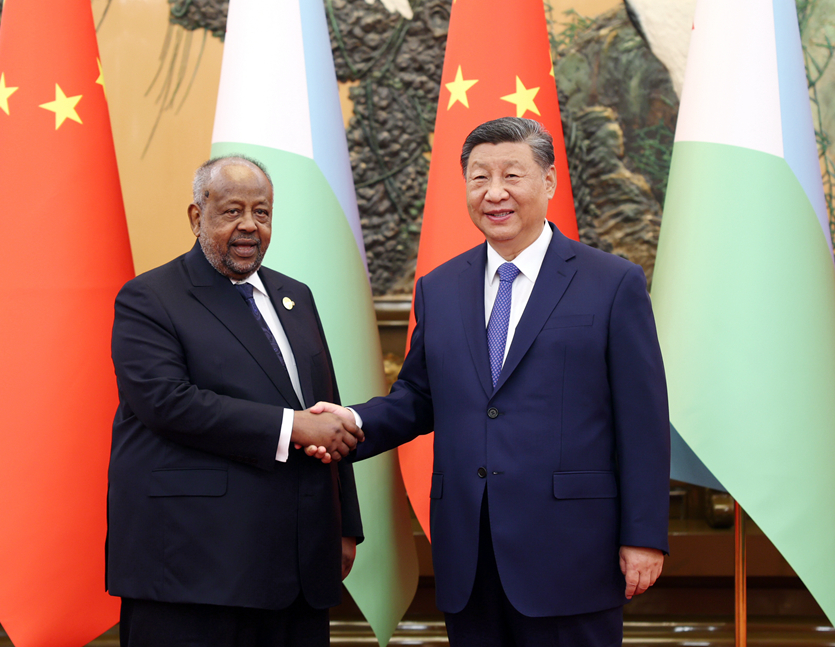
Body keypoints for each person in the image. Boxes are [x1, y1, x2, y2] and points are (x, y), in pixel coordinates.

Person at [309, 117, 669, 646]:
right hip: (470, 555)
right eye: (479, 178)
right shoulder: (439, 288)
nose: (494, 193)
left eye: (511, 175)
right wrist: (352, 421)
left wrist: (644, 536)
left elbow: (643, 421)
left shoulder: (612, 283)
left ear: (548, 181)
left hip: (573, 555)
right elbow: (418, 397)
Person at [106, 156, 364, 647]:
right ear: (196, 216)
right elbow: (166, 402)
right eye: (232, 211)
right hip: (195, 569)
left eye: (261, 212)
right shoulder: (150, 297)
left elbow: (325, 409)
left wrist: (344, 524)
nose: (249, 225)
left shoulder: (296, 296)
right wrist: (291, 427)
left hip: (299, 564)